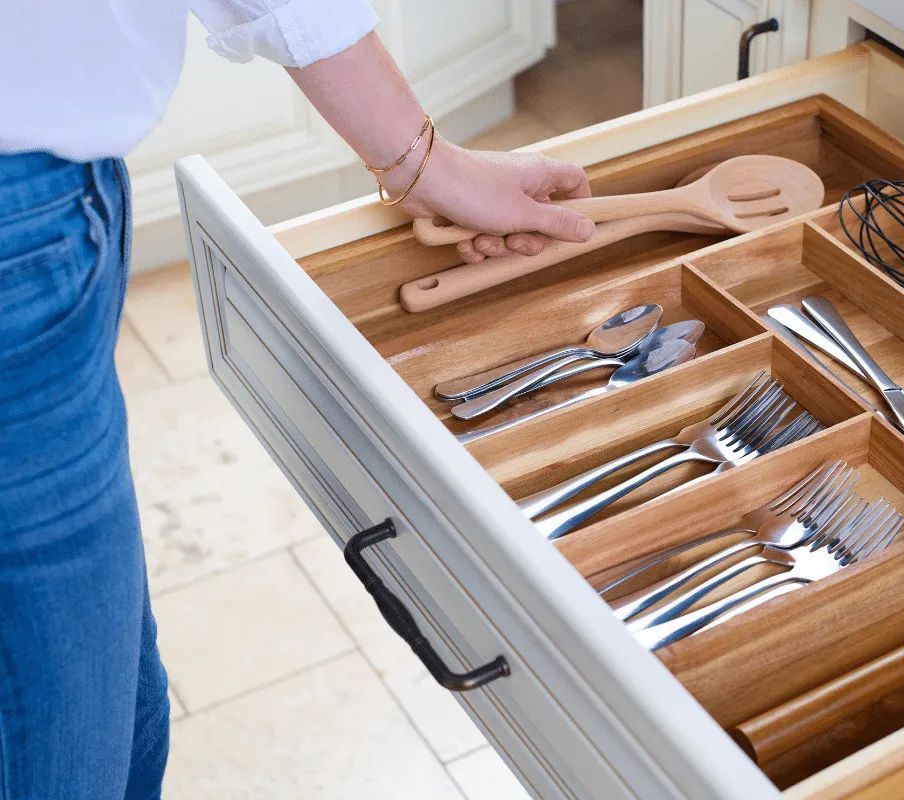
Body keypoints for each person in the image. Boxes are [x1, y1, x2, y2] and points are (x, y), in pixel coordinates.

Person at [0, 4, 594, 798]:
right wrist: (428, 166)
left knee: (105, 693)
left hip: (47, 200)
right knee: (66, 728)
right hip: (23, 215)